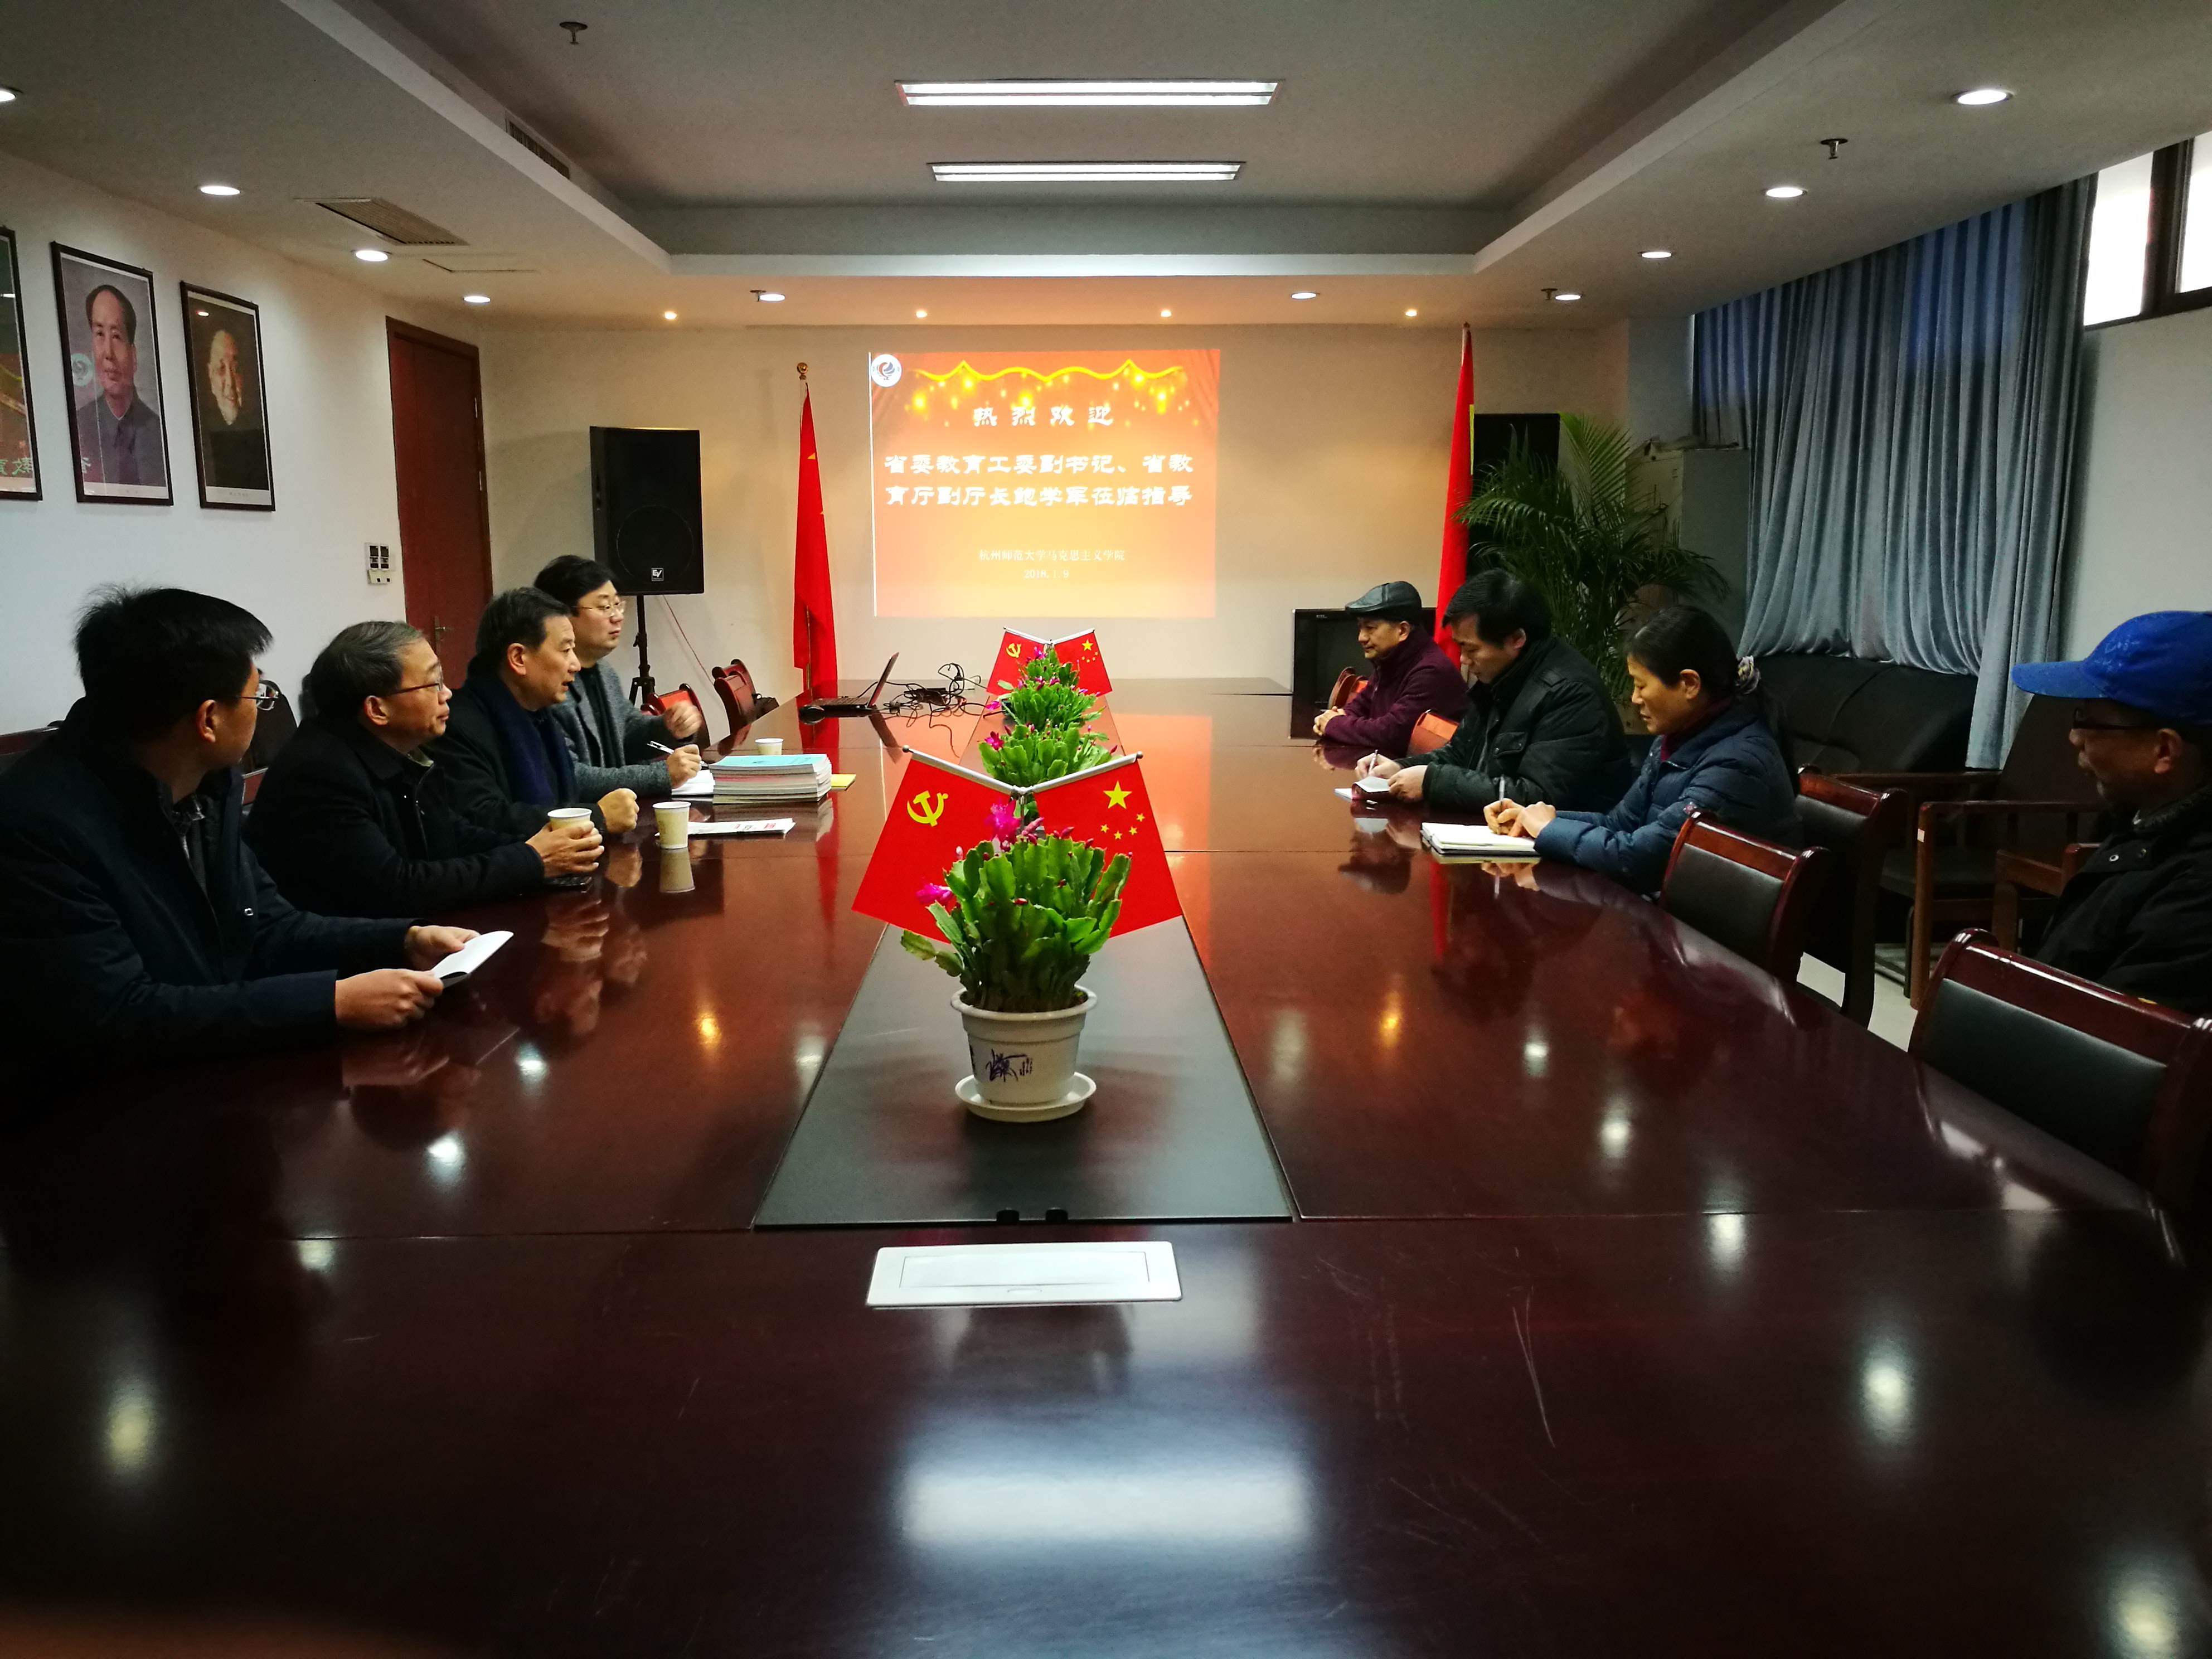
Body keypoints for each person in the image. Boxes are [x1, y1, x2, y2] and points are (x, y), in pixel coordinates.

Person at [0, 587, 474, 1055]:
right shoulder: (40, 827)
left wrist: (403, 940)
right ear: (209, 720)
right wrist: (330, 1002)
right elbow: (117, 1013)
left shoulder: (208, 784)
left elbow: (267, 925)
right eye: (257, 695)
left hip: (214, 1053)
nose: (261, 708)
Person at [247, 620, 605, 918]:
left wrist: (547, 848)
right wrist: (532, 860)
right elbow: (396, 888)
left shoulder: (399, 748)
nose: (447, 694)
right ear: (378, 709)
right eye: (434, 683)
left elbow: (454, 835)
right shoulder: (321, 773)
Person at [1487, 606, 1799, 893]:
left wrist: (1550, 828)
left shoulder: (1736, 764)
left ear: (1689, 684)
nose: (1635, 699)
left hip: (1709, 933)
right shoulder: (1679, 736)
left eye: (1640, 685)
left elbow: (1636, 860)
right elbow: (1621, 824)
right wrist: (1533, 817)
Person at [2009, 611, 2212, 1012]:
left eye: (2090, 721)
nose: (2074, 737)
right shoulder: (2140, 823)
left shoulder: (2197, 890)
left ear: (2164, 750)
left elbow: (2115, 1034)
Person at [1355, 570, 1632, 812]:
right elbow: (1459, 753)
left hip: (1556, 850)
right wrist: (1400, 768)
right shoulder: (1500, 676)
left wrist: (1432, 782)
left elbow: (1538, 798)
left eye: (1471, 649)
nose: (1463, 660)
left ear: (1516, 639)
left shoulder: (1569, 694)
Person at [428, 588, 640, 839]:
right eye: (565, 650)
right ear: (518, 658)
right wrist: (595, 817)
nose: (575, 665)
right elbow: (484, 818)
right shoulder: (456, 726)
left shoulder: (541, 715)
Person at [532, 556, 704, 798]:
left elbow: (626, 734)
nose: (618, 616)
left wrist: (667, 728)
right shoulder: (546, 686)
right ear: (563, 615)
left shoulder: (604, 672)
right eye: (605, 607)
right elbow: (572, 777)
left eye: (617, 605)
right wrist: (662, 775)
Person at [1311, 580, 1468, 753]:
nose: (1361, 638)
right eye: (1360, 628)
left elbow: (1392, 733)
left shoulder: (1431, 671)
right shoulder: (1391, 660)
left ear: (1402, 631)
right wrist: (1339, 716)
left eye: (1370, 628)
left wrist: (1334, 724)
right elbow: (1362, 705)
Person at [71, 284, 166, 488]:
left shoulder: (159, 434)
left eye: (116, 337)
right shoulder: (78, 428)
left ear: (133, 355)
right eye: (99, 334)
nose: (108, 353)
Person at [196, 324, 269, 493]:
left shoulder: (258, 435)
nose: (230, 382)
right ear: (210, 375)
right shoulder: (202, 433)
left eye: (236, 369)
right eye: (221, 369)